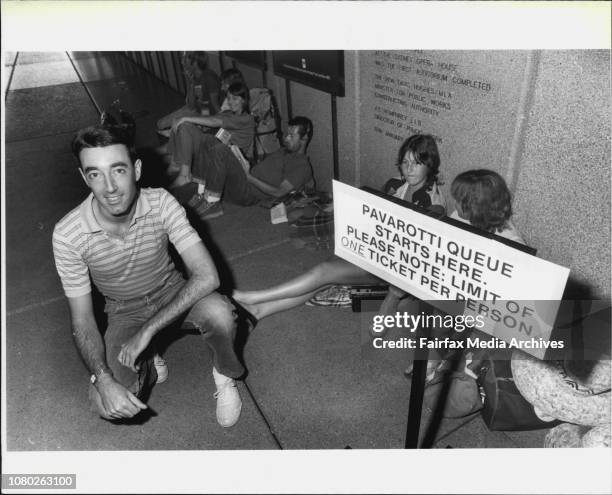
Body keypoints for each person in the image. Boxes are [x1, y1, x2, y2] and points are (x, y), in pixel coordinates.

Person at [52, 124, 245, 427]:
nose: (110, 187)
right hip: (122, 309)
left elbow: (207, 276)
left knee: (221, 312)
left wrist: (147, 332)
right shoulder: (67, 235)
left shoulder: (161, 202)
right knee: (105, 404)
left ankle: (224, 376)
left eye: (118, 170)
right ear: (83, 177)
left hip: (170, 288)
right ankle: (149, 362)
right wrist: (101, 378)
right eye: (95, 174)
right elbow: (82, 319)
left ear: (137, 169)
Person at [233, 134, 445, 323]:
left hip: (392, 268)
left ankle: (254, 297)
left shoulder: (432, 201)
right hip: (371, 251)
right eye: (405, 162)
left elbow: (421, 252)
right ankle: (259, 311)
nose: (409, 169)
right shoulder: (396, 184)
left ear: (429, 165)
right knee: (323, 278)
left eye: (416, 163)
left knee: (324, 272)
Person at [186, 116, 315, 219]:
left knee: (220, 150)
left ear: (304, 138)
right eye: (287, 134)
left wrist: (249, 177)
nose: (286, 138)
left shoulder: (302, 166)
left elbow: (279, 192)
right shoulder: (284, 151)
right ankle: (201, 192)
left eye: (292, 136)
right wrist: (240, 158)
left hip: (249, 193)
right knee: (208, 140)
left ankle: (212, 203)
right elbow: (265, 170)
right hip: (243, 179)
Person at [162, 81, 255, 197]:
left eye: (235, 99)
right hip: (215, 148)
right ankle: (179, 166)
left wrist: (186, 118)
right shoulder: (229, 113)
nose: (231, 102)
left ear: (244, 100)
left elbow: (215, 121)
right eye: (229, 98)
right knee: (184, 125)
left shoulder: (246, 119)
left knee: (185, 123)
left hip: (231, 159)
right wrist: (186, 120)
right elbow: (210, 118)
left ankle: (181, 168)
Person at [156, 52, 221, 136]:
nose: (182, 62)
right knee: (160, 124)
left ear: (194, 63)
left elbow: (215, 105)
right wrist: (191, 83)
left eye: (185, 59)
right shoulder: (195, 77)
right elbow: (190, 104)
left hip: (204, 113)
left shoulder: (209, 78)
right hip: (196, 109)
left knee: (163, 127)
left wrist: (206, 122)